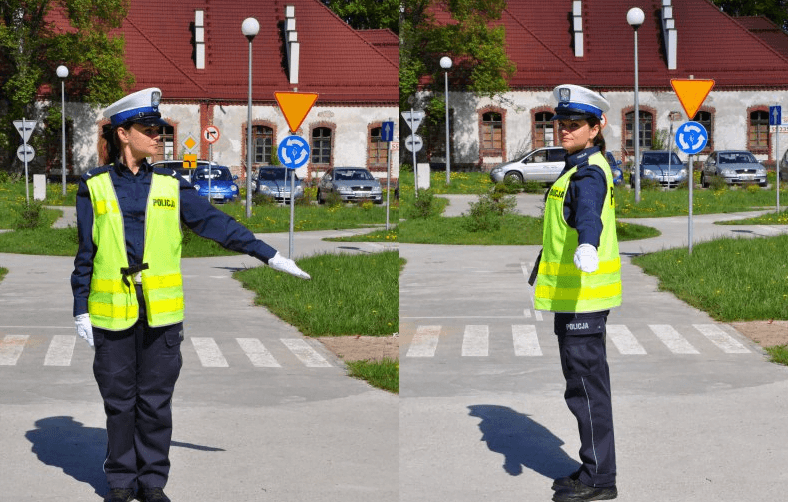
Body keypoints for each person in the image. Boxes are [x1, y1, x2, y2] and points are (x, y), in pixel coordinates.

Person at [71, 88, 311, 502]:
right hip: (112, 315)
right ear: (123, 134)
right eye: (149, 129)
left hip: (162, 317)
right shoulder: (93, 187)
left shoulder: (170, 184)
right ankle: (122, 483)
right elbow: (86, 252)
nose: (157, 137)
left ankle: (152, 484)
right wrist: (80, 307)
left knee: (155, 404)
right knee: (119, 403)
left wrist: (267, 254)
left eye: (159, 129)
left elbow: (215, 224)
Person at [530, 84, 621, 502]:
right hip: (574, 300)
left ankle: (600, 481)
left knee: (586, 390)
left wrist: (588, 241)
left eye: (574, 124)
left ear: (596, 127)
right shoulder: (574, 165)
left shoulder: (588, 171)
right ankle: (591, 467)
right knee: (581, 388)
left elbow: (588, 211)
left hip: (584, 299)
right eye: (560, 123)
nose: (564, 130)